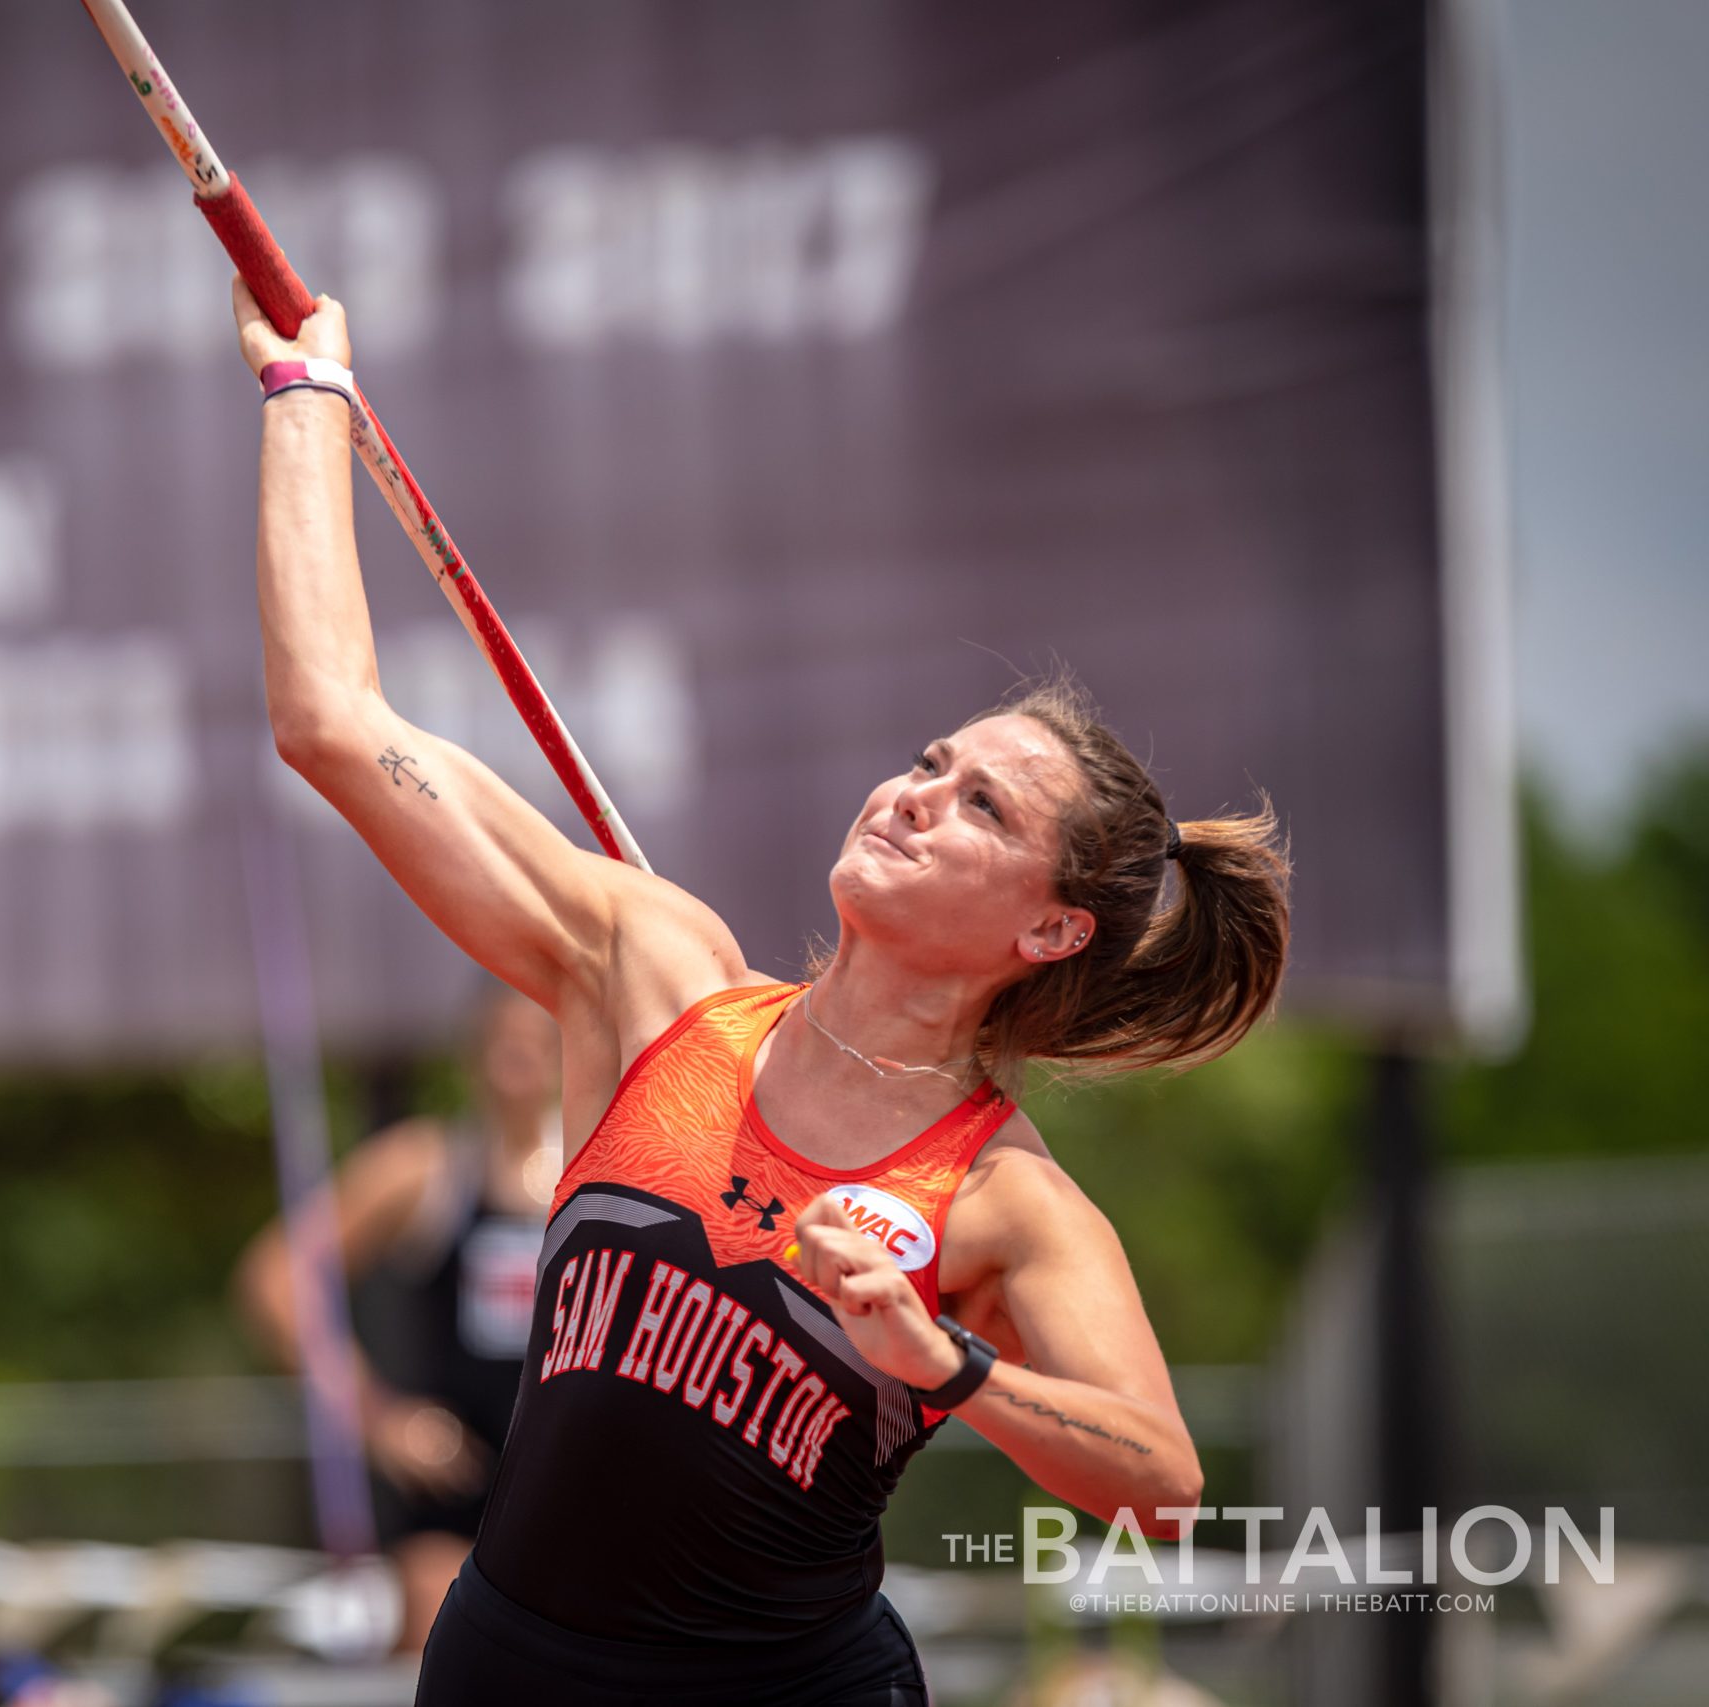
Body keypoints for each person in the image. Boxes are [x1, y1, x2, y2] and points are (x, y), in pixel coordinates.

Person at [229, 278, 1290, 1706]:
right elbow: (332, 726)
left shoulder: (998, 1200)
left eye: (978, 804)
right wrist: (305, 395)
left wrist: (945, 1358)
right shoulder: (652, 969)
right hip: (507, 1667)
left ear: (1048, 928)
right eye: (927, 760)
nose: (914, 797)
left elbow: (1159, 1484)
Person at [235, 986, 563, 1652]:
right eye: (501, 1042)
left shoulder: (602, 1166)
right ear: (472, 1054)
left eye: (537, 1043)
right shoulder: (426, 1166)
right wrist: (377, 1415)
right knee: (439, 1644)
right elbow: (278, 1278)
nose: (517, 1060)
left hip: (570, 1480)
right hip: (456, 1485)